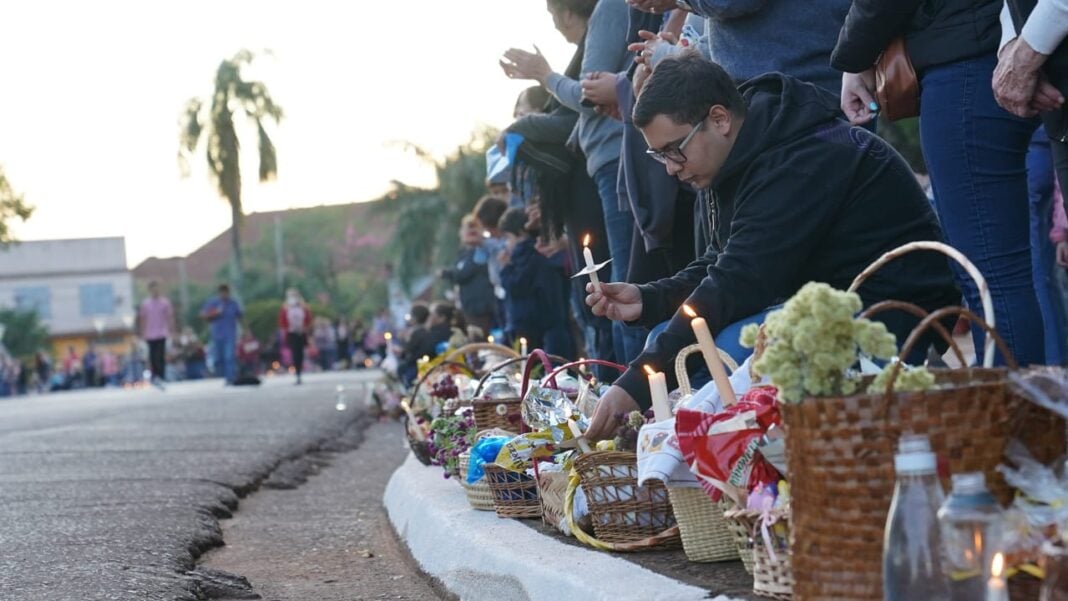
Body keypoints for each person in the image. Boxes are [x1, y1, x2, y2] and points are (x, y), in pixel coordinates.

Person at [583, 53, 960, 440]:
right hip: (820, 302)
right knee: (669, 338)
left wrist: (633, 385)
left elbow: (736, 281)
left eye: (674, 150)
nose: (670, 167)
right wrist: (650, 299)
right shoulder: (737, 154)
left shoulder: (798, 158)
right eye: (658, 154)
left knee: (722, 353)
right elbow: (722, 261)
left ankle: (744, 470)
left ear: (719, 119)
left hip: (893, 314)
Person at [833, 0, 1050, 366]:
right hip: (1007, 42)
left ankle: (1015, 415)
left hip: (968, 54)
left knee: (990, 279)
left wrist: (853, 56)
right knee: (1002, 276)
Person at [502, 0, 648, 365]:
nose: (554, 27)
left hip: (616, 160)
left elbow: (588, 97)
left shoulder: (611, 9)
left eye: (553, 16)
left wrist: (545, 77)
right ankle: (622, 388)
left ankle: (631, 394)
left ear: (569, 13)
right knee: (610, 288)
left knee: (619, 285)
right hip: (609, 163)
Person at [499, 208, 576, 359]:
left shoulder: (525, 254)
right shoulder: (542, 251)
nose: (506, 244)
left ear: (520, 233)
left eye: (508, 238)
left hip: (533, 325)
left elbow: (518, 286)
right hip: (553, 322)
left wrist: (505, 269)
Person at [440, 215, 497, 333]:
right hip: (469, 307)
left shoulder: (481, 250)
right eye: (466, 229)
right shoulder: (463, 254)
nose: (470, 232)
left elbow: (463, 274)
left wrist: (445, 273)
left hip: (482, 307)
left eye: (473, 229)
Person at [199, 284, 243, 385]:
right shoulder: (213, 303)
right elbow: (203, 315)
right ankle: (223, 374)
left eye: (226, 292)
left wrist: (245, 331)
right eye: (222, 292)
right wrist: (215, 313)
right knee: (219, 358)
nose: (224, 295)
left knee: (229, 356)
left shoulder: (233, 303)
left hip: (230, 334)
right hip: (217, 335)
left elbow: (240, 316)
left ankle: (230, 378)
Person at [138, 280, 174, 389]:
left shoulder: (165, 303)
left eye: (156, 288)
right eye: (153, 289)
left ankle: (161, 376)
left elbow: (169, 318)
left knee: (161, 356)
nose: (155, 290)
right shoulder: (146, 304)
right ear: (150, 290)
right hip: (150, 334)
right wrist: (142, 333)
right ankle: (155, 377)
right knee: (153, 357)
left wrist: (172, 331)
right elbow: (142, 319)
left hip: (162, 333)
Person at [278, 288, 312, 384]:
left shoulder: (303, 308)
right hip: (291, 333)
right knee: (295, 353)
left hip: (301, 333)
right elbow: (282, 322)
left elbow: (308, 319)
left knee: (300, 353)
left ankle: (299, 371)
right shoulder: (285, 309)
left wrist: (304, 328)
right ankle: (297, 372)